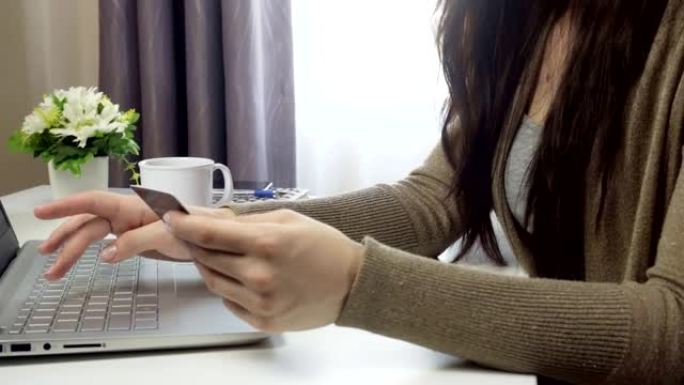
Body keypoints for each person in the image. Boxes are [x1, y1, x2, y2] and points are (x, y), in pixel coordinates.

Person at [33, 1, 684, 384]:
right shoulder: (517, 24)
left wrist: (355, 284)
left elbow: (672, 324)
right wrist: (195, 223)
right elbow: (428, 202)